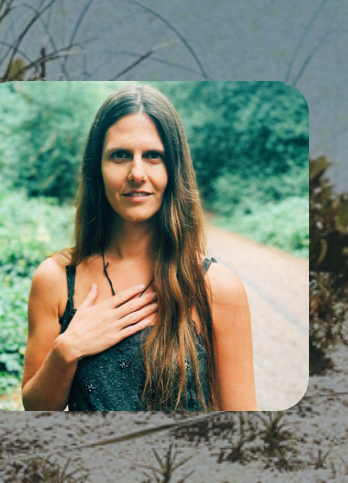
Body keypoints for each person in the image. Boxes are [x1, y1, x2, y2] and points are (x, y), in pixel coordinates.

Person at [20, 84, 257, 411]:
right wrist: (66, 350)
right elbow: (35, 409)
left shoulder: (217, 288)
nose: (137, 173)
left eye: (153, 156)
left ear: (174, 169)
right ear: (97, 167)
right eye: (120, 155)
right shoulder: (56, 279)